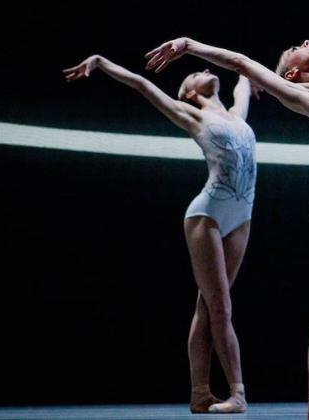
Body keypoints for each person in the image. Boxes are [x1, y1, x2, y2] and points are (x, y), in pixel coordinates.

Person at [145, 36, 309, 420]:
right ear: (291, 72)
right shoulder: (303, 93)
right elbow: (241, 60)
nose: (305, 41)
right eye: (295, 47)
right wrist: (189, 46)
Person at [63, 55, 260, 414]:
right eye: (195, 73)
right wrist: (102, 63)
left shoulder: (237, 112)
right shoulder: (193, 116)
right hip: (208, 216)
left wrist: (255, 77)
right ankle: (238, 393)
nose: (205, 70)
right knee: (220, 306)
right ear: (187, 94)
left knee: (208, 306)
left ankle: (200, 392)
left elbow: (245, 72)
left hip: (241, 218)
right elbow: (142, 84)